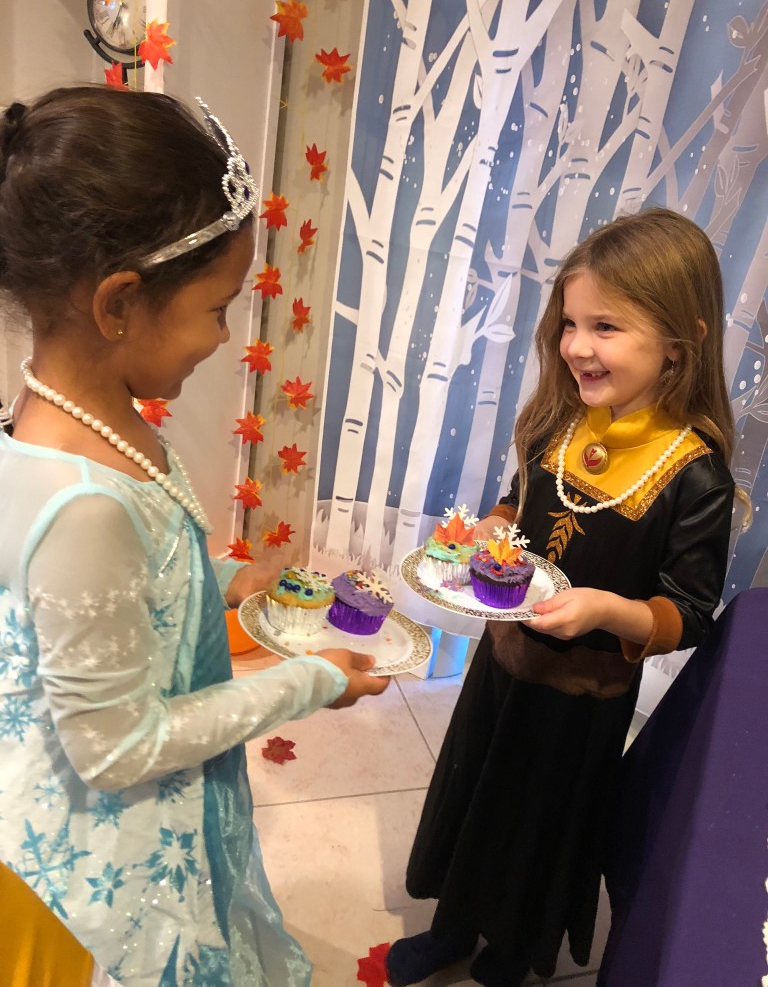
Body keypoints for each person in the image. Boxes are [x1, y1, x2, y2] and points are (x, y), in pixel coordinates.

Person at [0, 85, 389, 987]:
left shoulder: (82, 417)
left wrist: (219, 578)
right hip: (107, 863)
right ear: (118, 303)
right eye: (217, 308)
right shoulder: (81, 501)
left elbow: (126, 579)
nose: (225, 336)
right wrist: (308, 681)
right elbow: (116, 747)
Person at [386, 207, 744, 987]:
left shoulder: (693, 475)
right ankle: (452, 924)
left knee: (539, 823)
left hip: (583, 697)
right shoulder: (559, 421)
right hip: (504, 662)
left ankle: (514, 947)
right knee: (475, 789)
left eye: (606, 327)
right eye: (571, 324)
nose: (577, 346)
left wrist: (603, 611)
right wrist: (491, 527)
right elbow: (521, 504)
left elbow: (688, 610)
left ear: (681, 342)